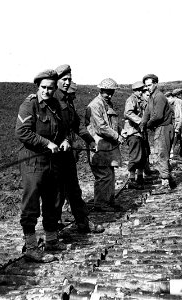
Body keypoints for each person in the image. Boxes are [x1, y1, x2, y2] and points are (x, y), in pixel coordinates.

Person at [15, 69, 71, 263]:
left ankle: (51, 240)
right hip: (33, 160)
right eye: (43, 88)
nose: (46, 91)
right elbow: (22, 132)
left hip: (53, 161)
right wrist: (46, 143)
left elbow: (63, 129)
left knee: (54, 200)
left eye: (50, 88)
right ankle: (31, 247)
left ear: (55, 89)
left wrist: (64, 140)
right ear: (37, 87)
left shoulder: (56, 104)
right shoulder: (29, 105)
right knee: (31, 203)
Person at [53, 64, 104, 233]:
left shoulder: (67, 101)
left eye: (69, 79)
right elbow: (51, 128)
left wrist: (90, 140)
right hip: (53, 154)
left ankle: (83, 222)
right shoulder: (51, 99)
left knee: (74, 189)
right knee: (57, 193)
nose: (67, 83)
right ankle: (52, 230)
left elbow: (76, 125)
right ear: (57, 81)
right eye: (64, 79)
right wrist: (62, 140)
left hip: (67, 153)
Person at [85, 78, 123, 211]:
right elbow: (101, 127)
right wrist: (117, 136)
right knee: (103, 175)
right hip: (99, 145)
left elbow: (112, 123)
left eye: (112, 92)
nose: (110, 95)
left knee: (109, 174)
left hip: (107, 147)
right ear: (101, 90)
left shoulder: (107, 103)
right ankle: (101, 204)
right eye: (107, 92)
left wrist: (120, 131)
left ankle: (109, 201)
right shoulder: (95, 105)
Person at [141, 74, 174, 191]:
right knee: (163, 153)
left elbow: (157, 116)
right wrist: (142, 124)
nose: (148, 88)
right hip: (161, 128)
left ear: (156, 84)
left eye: (149, 85)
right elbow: (147, 112)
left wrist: (148, 125)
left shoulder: (159, 96)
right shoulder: (151, 97)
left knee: (161, 154)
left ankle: (165, 183)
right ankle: (170, 179)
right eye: (146, 86)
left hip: (163, 128)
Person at [121, 81, 148, 189]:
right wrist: (140, 121)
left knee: (142, 156)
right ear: (135, 91)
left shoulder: (140, 100)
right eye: (140, 91)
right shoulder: (131, 100)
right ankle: (132, 180)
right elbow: (128, 113)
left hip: (140, 132)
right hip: (133, 132)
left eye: (142, 90)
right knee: (135, 156)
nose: (141, 92)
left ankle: (140, 178)